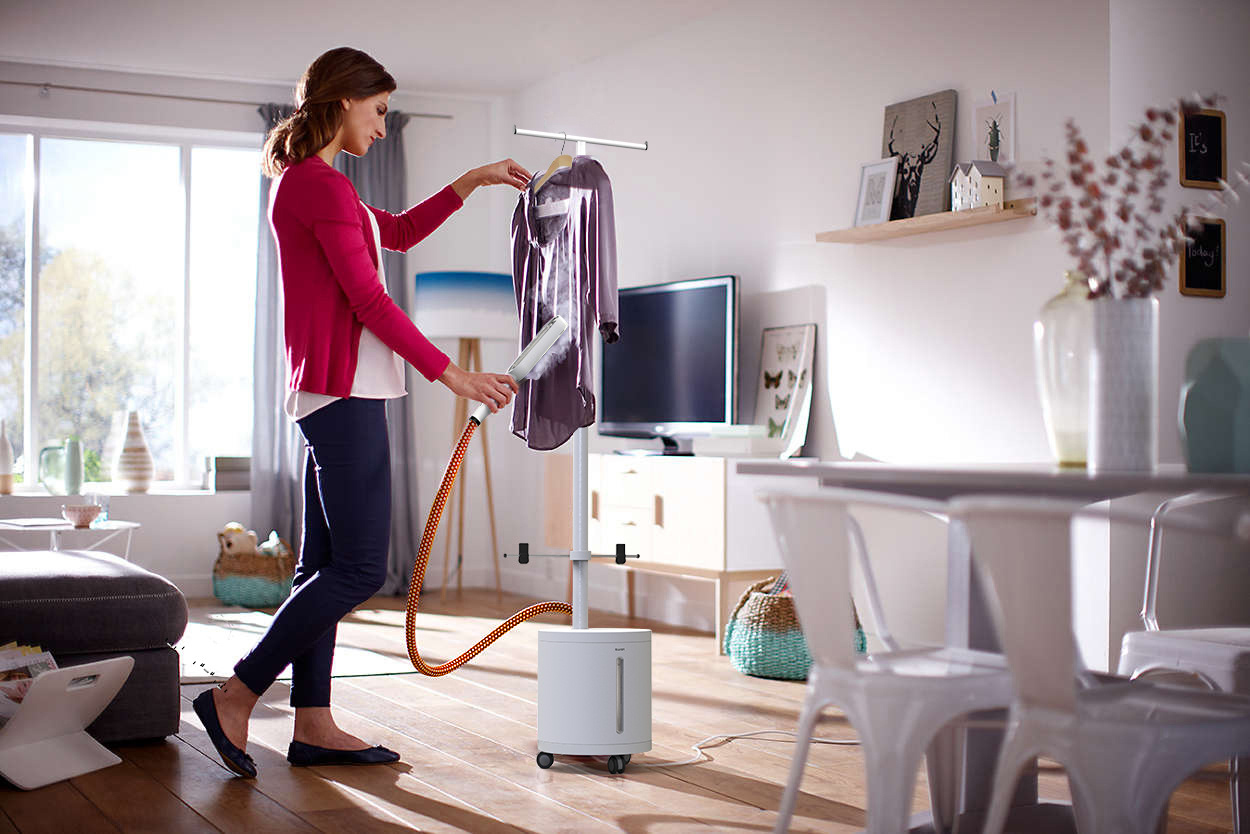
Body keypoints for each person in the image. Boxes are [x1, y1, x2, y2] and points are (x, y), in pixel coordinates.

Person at [193, 46, 529, 778]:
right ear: (345, 100)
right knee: (360, 570)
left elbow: (398, 233)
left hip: (334, 395)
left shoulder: (321, 188)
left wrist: (471, 182)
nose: (382, 127)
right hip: (344, 396)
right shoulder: (315, 186)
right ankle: (237, 694)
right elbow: (368, 300)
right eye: (378, 112)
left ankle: (312, 722)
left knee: (322, 565)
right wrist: (453, 375)